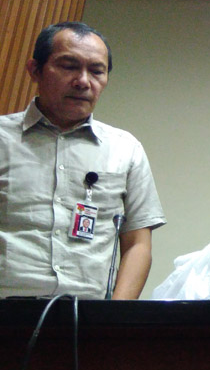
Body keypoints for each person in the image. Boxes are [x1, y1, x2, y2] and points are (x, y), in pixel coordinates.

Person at [0, 22, 166, 299]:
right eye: (69, 66)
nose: (83, 81)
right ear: (35, 70)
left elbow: (137, 244)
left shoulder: (125, 149)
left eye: (97, 71)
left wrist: (114, 316)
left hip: (89, 314)